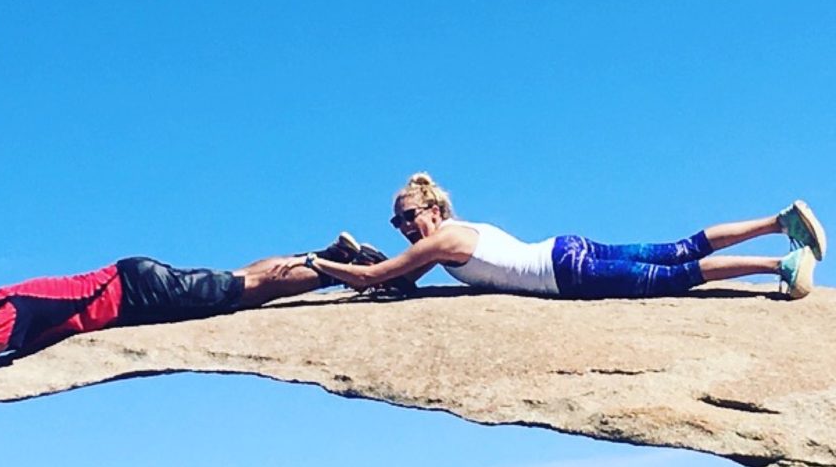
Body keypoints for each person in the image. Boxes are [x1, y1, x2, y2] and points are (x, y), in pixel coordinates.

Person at [0, 234, 392, 415]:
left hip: (138, 292)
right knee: (233, 282)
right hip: (136, 286)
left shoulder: (10, 311)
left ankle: (334, 271)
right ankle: (323, 252)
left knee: (243, 293)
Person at [284, 172, 825, 301]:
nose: (404, 228)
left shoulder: (439, 241)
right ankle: (780, 221)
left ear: (432, 208)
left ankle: (779, 264)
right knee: (676, 249)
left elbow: (380, 275)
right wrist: (360, 263)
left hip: (569, 273)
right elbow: (401, 283)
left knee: (679, 274)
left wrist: (318, 263)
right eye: (398, 224)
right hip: (567, 251)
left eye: (406, 217)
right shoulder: (449, 235)